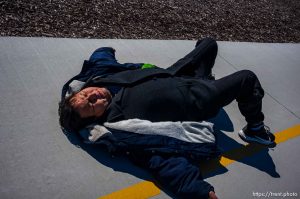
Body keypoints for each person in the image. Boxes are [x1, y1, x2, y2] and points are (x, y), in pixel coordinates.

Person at [59, 38, 275, 199]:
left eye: (86, 94)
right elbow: (158, 159)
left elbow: (100, 62)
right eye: (91, 106)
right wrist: (199, 192)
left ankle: (206, 77)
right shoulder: (122, 127)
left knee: (209, 44)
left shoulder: (99, 78)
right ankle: (255, 129)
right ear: (94, 119)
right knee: (247, 78)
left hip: (175, 74)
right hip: (198, 100)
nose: (93, 95)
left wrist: (103, 51)